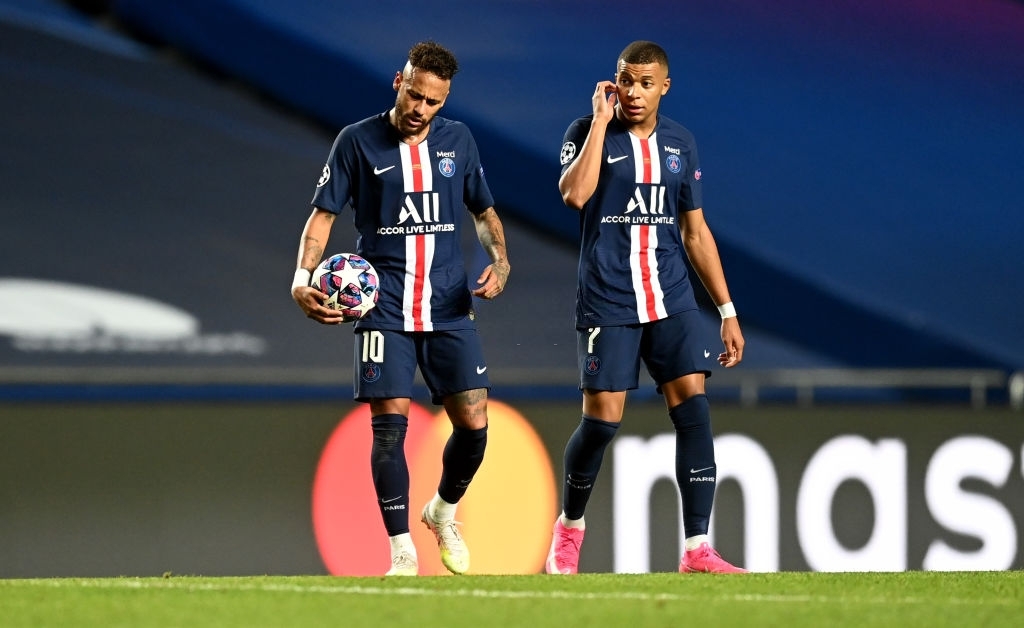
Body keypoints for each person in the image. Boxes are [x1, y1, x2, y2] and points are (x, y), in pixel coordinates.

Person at [291, 41, 510, 576]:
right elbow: (321, 217)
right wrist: (301, 279)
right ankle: (401, 552)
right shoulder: (357, 141)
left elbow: (482, 210)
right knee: (389, 429)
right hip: (382, 305)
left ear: (444, 100)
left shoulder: (460, 141)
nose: (421, 109)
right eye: (415, 95)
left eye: (433, 102)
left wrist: (500, 260)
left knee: (475, 425)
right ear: (398, 82)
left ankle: (442, 511)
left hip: (448, 304)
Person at [547, 40, 746, 575]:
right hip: (609, 298)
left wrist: (725, 310)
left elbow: (695, 231)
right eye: (624, 80)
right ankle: (569, 527)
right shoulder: (585, 134)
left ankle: (697, 548)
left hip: (672, 296)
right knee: (601, 422)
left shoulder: (681, 143)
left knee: (694, 410)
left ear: (664, 87)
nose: (633, 92)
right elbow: (575, 195)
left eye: (644, 83)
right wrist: (595, 123)